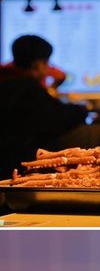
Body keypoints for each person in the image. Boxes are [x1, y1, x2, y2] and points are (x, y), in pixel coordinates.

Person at [0, 35, 87, 179]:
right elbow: (56, 118)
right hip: (20, 170)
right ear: (38, 65)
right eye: (47, 63)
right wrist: (83, 109)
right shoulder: (28, 88)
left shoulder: (6, 80)